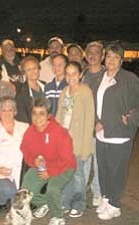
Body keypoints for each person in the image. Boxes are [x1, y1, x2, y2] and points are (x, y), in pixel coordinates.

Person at [95, 43, 139, 220]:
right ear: (104, 57)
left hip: (120, 134)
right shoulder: (101, 77)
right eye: (109, 56)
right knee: (103, 168)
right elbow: (96, 103)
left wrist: (132, 117)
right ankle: (106, 198)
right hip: (101, 133)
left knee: (116, 170)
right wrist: (96, 122)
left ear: (121, 60)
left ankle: (115, 204)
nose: (111, 60)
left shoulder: (129, 78)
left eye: (116, 57)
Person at [21, 97, 76, 225]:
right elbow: (25, 149)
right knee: (27, 188)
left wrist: (50, 172)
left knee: (52, 188)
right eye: (34, 113)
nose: (37, 117)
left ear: (48, 115)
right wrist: (34, 161)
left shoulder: (59, 132)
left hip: (65, 166)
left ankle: (58, 217)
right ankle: (45, 203)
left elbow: (66, 159)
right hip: (43, 165)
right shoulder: (30, 131)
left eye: (41, 114)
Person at [56, 61, 95, 218]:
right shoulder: (64, 91)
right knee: (66, 174)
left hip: (78, 142)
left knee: (78, 175)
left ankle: (78, 204)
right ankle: (66, 202)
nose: (71, 76)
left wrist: (86, 148)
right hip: (64, 141)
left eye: (74, 73)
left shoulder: (85, 92)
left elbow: (89, 120)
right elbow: (59, 114)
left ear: (80, 75)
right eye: (68, 73)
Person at [0, 96, 29, 209]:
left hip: (20, 172)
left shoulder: (25, 127)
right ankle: (1, 200)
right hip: (0, 171)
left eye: (10, 110)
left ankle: (10, 197)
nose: (7, 113)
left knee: (21, 199)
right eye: (3, 110)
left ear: (15, 112)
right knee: (11, 193)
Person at [82, 41, 105, 207]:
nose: (93, 55)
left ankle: (97, 191)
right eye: (90, 51)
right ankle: (80, 189)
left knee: (98, 162)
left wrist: (102, 121)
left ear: (102, 56)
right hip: (84, 127)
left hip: (100, 127)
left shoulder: (109, 74)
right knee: (84, 161)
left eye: (97, 52)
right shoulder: (81, 74)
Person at [16, 55, 45, 124]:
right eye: (29, 70)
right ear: (24, 73)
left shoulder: (47, 86)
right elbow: (22, 118)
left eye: (35, 68)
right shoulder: (21, 93)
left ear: (39, 69)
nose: (33, 72)